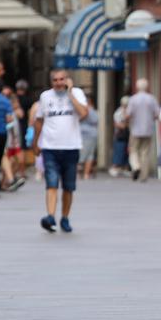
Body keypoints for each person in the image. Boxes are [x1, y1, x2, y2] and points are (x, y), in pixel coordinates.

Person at [33, 70, 89, 233]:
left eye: (61, 79)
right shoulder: (45, 96)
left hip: (71, 147)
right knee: (51, 183)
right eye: (55, 80)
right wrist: (35, 142)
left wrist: (70, 93)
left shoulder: (77, 93)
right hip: (50, 147)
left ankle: (65, 217)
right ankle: (50, 216)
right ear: (51, 82)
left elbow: (84, 113)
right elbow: (39, 120)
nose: (58, 83)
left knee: (68, 187)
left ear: (67, 80)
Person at [126, 79, 160, 182]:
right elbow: (157, 114)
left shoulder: (133, 99)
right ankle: (144, 175)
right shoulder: (152, 99)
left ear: (137, 87)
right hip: (148, 129)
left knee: (133, 150)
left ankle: (136, 166)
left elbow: (128, 114)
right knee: (145, 152)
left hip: (135, 129)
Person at [79, 99, 100, 180]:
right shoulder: (93, 111)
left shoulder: (85, 109)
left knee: (82, 154)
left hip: (84, 134)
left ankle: (80, 172)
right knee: (90, 155)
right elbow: (96, 121)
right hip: (92, 134)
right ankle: (86, 174)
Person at [110, 96, 131, 177]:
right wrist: (126, 124)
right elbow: (118, 124)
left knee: (126, 152)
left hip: (127, 135)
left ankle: (125, 168)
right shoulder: (118, 112)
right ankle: (115, 167)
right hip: (120, 135)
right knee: (119, 151)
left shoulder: (129, 112)